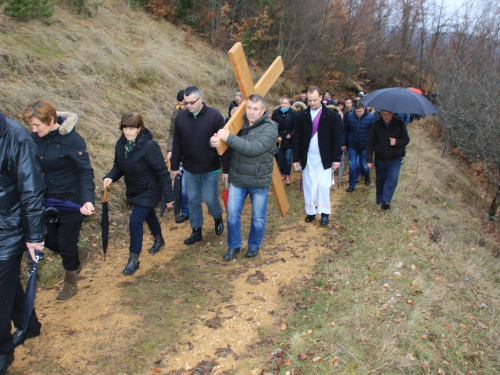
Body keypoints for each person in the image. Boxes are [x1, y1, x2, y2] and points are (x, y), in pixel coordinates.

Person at [23, 100, 95, 302]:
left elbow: (85, 171)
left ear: (51, 120)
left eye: (37, 125)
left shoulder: (72, 140)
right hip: (47, 202)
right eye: (31, 126)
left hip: (72, 201)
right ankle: (78, 254)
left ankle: (70, 283)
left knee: (65, 242)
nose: (34, 129)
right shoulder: (33, 139)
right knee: (47, 239)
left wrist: (88, 200)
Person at [0, 112, 46, 375]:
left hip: (9, 227)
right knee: (5, 283)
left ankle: (3, 348)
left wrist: (34, 235)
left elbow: (31, 189)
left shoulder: (16, 137)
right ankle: (28, 324)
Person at [103, 113, 174, 275]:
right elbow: (119, 166)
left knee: (135, 221)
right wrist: (110, 177)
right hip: (135, 189)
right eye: (125, 128)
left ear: (140, 129)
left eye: (132, 129)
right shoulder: (120, 145)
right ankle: (159, 239)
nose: (128, 132)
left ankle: (133, 259)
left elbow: (162, 172)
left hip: (150, 189)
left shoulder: (149, 146)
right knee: (148, 214)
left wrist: (168, 196)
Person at [210, 94, 278, 260]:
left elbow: (253, 148)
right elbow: (223, 141)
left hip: (258, 180)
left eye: (256, 109)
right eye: (249, 108)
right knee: (232, 214)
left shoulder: (270, 127)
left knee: (258, 218)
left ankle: (254, 245)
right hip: (238, 179)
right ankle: (234, 246)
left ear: (263, 110)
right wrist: (214, 142)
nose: (251, 112)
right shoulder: (237, 123)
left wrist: (228, 137)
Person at [170, 86, 229, 245]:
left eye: (191, 102)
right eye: (186, 103)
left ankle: (217, 217)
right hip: (190, 169)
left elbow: (224, 144)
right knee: (193, 199)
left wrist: (226, 169)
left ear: (200, 99)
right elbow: (177, 144)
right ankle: (196, 230)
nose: (188, 106)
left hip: (211, 168)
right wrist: (174, 167)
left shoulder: (215, 116)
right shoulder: (181, 119)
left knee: (210, 199)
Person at [293, 86, 342, 226]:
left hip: (324, 157)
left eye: (315, 100)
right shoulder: (301, 116)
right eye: (310, 100)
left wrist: (336, 158)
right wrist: (296, 158)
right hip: (307, 156)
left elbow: (336, 137)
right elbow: (297, 138)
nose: (312, 103)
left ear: (321, 97)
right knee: (309, 186)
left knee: (323, 185)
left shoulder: (332, 116)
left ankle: (325, 213)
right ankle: (311, 211)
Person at [366, 109, 410, 210]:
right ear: (380, 114)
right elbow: (370, 143)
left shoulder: (399, 124)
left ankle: (386, 201)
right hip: (380, 158)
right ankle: (380, 198)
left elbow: (406, 140)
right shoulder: (376, 125)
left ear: (392, 113)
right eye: (384, 114)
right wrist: (369, 159)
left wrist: (397, 142)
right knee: (380, 180)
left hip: (395, 158)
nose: (386, 116)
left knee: (392, 178)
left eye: (388, 114)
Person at [342, 102, 376, 192]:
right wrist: (343, 143)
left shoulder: (371, 118)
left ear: (364, 109)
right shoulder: (349, 116)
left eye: (360, 111)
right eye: (356, 111)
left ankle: (367, 177)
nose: (358, 113)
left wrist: (373, 146)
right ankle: (352, 185)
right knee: (352, 165)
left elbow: (373, 134)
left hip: (365, 146)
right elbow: (345, 130)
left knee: (364, 166)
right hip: (352, 145)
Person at [167, 90, 190, 223]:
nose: (182, 107)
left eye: (184, 104)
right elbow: (172, 132)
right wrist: (170, 150)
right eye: (180, 104)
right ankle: (185, 211)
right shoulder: (176, 112)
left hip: (195, 156)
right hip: (180, 153)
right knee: (182, 185)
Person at [272, 95, 296, 185]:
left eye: (286, 103)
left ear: (289, 104)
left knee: (287, 158)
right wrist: (277, 136)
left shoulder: (293, 113)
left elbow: (296, 126)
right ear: (280, 103)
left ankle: (288, 175)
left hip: (289, 139)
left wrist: (291, 134)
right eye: (283, 103)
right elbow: (273, 125)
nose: (284, 105)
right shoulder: (276, 113)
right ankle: (282, 174)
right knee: (281, 158)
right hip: (280, 139)